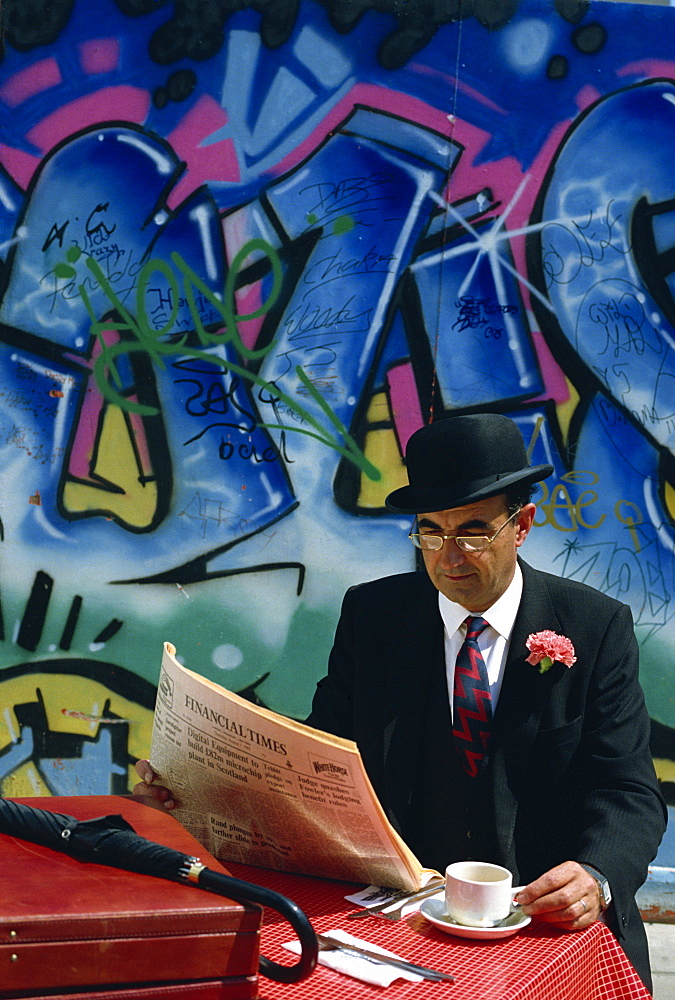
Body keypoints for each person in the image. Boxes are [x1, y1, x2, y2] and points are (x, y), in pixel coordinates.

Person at [135, 413, 666, 990]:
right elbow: (322, 756)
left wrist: (596, 876)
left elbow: (628, 789)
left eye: (472, 531)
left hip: (541, 927)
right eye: (430, 531)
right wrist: (194, 795)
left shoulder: (594, 627)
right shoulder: (374, 616)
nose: (449, 555)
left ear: (524, 524)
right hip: (401, 921)